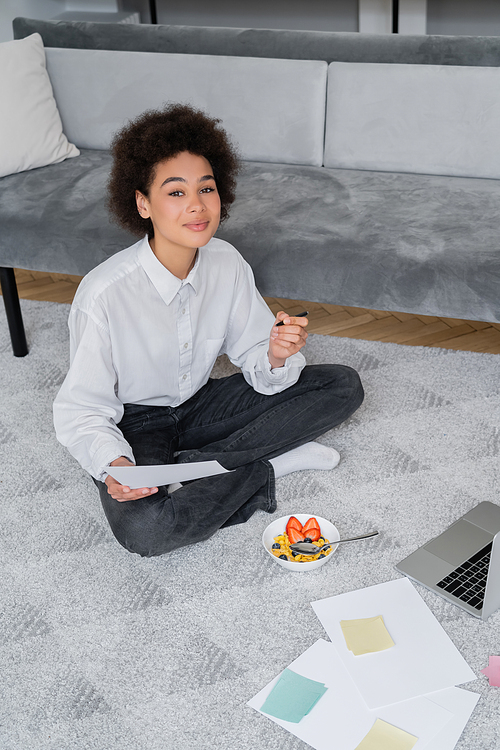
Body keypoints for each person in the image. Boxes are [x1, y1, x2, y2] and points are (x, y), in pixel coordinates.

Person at [53, 103, 364, 557]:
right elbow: (81, 408)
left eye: (207, 188)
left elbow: (256, 355)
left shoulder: (226, 261)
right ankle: (265, 465)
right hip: (136, 423)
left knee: (342, 385)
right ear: (143, 203)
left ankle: (195, 467)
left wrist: (276, 353)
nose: (197, 205)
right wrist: (116, 464)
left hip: (200, 404)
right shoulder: (103, 294)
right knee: (147, 531)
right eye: (175, 192)